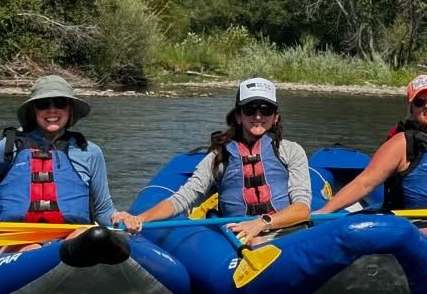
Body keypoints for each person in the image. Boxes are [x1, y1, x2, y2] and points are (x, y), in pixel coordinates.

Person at [114, 77, 312, 244]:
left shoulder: (291, 151)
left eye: (266, 109)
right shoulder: (219, 157)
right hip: (238, 238)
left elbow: (302, 209)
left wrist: (262, 223)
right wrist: (139, 218)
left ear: (275, 116)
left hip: (285, 234)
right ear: (238, 116)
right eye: (250, 109)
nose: (258, 116)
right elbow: (184, 198)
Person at [0, 74, 120, 228]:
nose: (52, 110)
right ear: (33, 111)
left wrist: (121, 219)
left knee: (79, 241)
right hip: (17, 239)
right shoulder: (9, 147)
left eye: (60, 103)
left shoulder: (90, 152)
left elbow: (103, 209)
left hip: (72, 239)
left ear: (69, 110)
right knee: (32, 248)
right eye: (43, 104)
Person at [314, 74, 427, 227]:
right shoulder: (400, 144)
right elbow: (365, 183)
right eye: (419, 102)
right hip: (414, 228)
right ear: (412, 109)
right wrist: (325, 211)